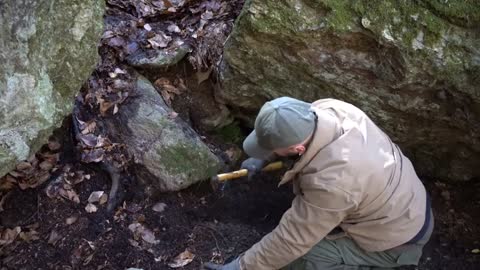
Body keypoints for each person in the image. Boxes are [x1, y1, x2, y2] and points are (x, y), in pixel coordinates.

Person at [203, 97, 433, 270]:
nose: (269, 151)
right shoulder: (329, 109)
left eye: (272, 148)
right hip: (407, 201)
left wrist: (240, 267)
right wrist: (263, 157)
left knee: (304, 260)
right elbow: (294, 133)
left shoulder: (332, 183)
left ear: (298, 150)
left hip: (397, 240)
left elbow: (292, 241)